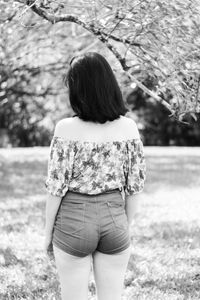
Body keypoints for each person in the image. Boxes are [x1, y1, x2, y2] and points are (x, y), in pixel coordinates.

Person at [44, 52, 146, 300]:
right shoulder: (128, 128)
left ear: (78, 89)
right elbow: (135, 187)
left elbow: (56, 189)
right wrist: (125, 225)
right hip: (114, 217)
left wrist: (48, 234)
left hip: (73, 219)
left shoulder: (65, 129)